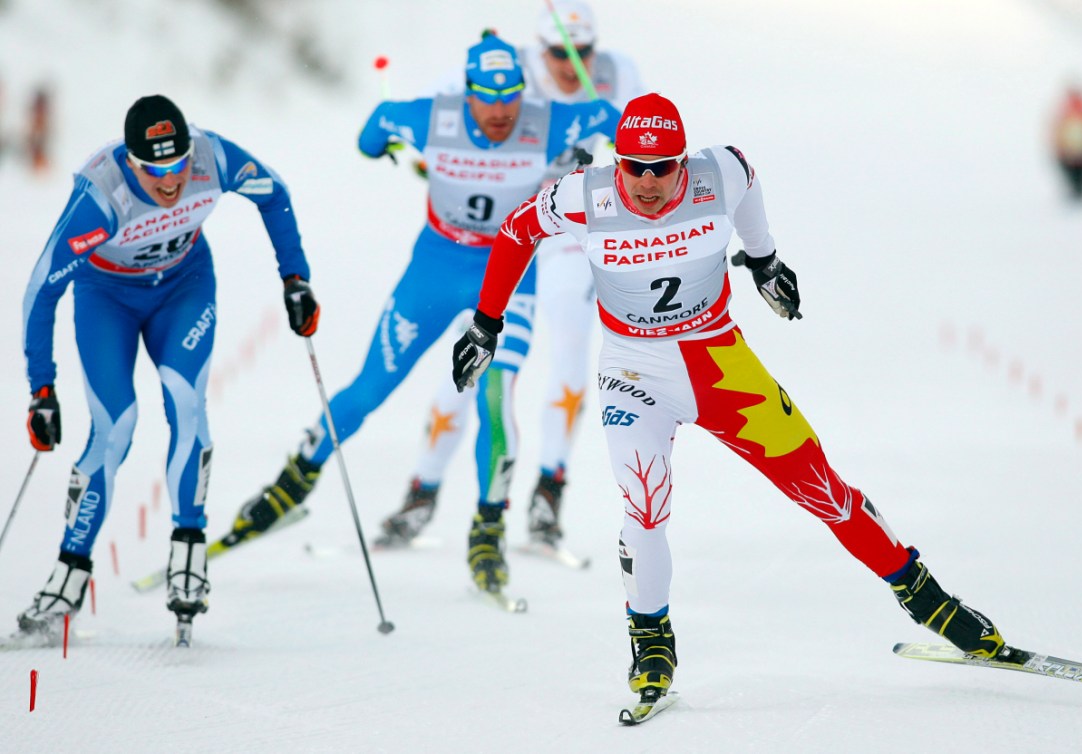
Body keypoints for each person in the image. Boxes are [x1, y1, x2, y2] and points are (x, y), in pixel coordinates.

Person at [451, 93, 1006, 704]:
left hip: (719, 362)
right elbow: (514, 231)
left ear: (683, 163)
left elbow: (750, 177)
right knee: (644, 496)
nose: (649, 182)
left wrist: (765, 260)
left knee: (817, 484)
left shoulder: (721, 172)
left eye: (663, 168)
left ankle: (925, 596)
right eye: (635, 166)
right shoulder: (586, 193)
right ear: (619, 162)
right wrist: (486, 323)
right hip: (634, 370)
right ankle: (652, 636)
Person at [223, 34, 620, 598]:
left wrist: (593, 152)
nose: (503, 111)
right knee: (370, 387)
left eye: (512, 98)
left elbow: (618, 116)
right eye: (490, 99)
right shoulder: (434, 118)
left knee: (495, 398)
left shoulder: (549, 120)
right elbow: (374, 126)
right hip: (434, 268)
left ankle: (488, 527)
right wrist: (378, 145)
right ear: (469, 93)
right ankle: (295, 479)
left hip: (506, 276)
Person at [17, 94, 319, 641]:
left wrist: (294, 278)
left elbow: (276, 196)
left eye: (178, 163)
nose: (172, 180)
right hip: (107, 297)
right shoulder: (100, 197)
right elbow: (42, 291)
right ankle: (71, 568)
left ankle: (189, 550)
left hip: (183, 288)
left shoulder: (214, 157)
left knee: (186, 403)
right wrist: (42, 387)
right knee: (115, 428)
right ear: (132, 162)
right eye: (155, 170)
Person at [388, 2, 645, 558]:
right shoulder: (511, 64)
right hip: (511, 234)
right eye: (558, 53)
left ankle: (548, 492)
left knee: (573, 350)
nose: (572, 66)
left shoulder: (617, 72)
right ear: (539, 47)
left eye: (583, 52)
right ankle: (422, 489)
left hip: (571, 233)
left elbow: (636, 145)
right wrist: (423, 156)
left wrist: (598, 160)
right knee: (472, 368)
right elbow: (441, 111)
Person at [1051, 85, 1082, 202]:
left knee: (1081, 174)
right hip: (1071, 150)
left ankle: (1081, 192)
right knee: (1074, 174)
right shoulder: (1064, 112)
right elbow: (1058, 130)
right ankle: (1077, 192)